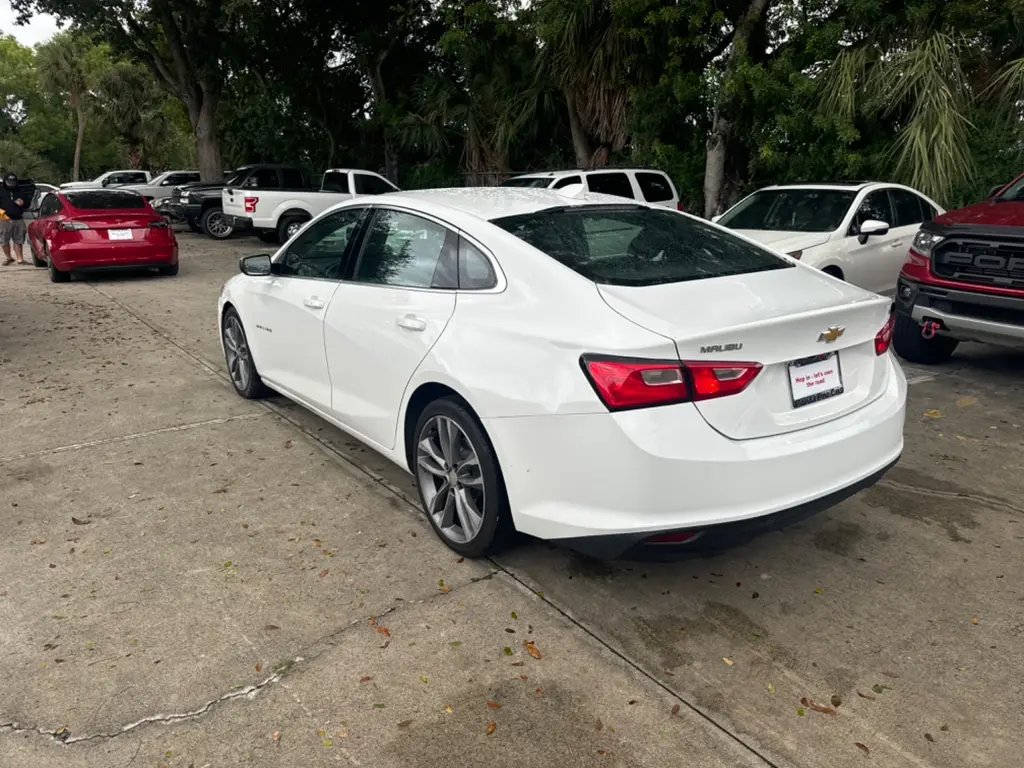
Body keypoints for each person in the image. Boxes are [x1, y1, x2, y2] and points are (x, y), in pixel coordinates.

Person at [0, 172, 28, 265]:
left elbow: (27, 203)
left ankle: (20, 259)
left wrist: (23, 202)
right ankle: (9, 258)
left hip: (18, 218)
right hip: (4, 219)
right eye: (9, 181)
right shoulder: (1, 190)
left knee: (19, 240)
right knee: (4, 240)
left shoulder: (20, 190)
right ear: (5, 181)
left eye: (13, 181)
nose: (11, 183)